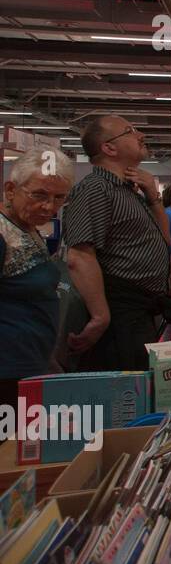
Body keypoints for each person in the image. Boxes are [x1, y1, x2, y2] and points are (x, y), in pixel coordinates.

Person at [62, 114, 171, 372]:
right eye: (130, 131)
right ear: (109, 148)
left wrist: (154, 198)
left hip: (139, 314)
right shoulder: (96, 188)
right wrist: (101, 316)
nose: (140, 135)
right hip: (119, 317)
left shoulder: (127, 190)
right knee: (127, 392)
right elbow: (79, 255)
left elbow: (165, 241)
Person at [0, 148, 73, 406]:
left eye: (59, 198)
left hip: (31, 364)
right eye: (39, 195)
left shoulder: (28, 227)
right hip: (8, 373)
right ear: (11, 190)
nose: (49, 207)